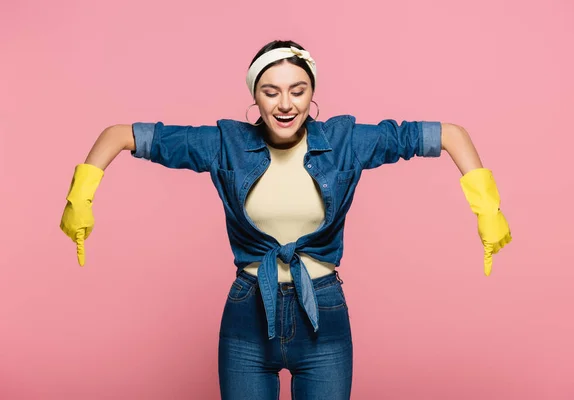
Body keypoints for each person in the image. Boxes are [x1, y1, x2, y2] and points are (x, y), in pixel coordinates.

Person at [59, 39, 512, 399]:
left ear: (312, 93)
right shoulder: (225, 143)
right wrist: (83, 193)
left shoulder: (345, 141)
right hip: (247, 316)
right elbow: (120, 135)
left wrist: (487, 209)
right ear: (254, 96)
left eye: (298, 90)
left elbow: (449, 134)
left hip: (324, 314)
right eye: (270, 91)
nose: (285, 104)